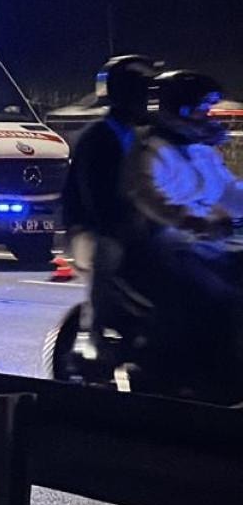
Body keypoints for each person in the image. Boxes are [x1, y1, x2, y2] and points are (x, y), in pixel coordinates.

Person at [120, 70, 243, 397]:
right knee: (219, 296)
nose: (208, 117)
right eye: (202, 109)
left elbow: (229, 192)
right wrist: (191, 221)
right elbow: (148, 196)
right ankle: (208, 376)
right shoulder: (151, 150)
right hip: (166, 242)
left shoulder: (202, 151)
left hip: (210, 242)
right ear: (178, 110)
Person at [61, 55, 158, 332]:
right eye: (140, 93)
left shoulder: (147, 137)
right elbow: (95, 198)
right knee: (111, 252)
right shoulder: (97, 138)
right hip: (92, 228)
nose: (146, 101)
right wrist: (125, 225)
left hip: (136, 224)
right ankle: (97, 329)